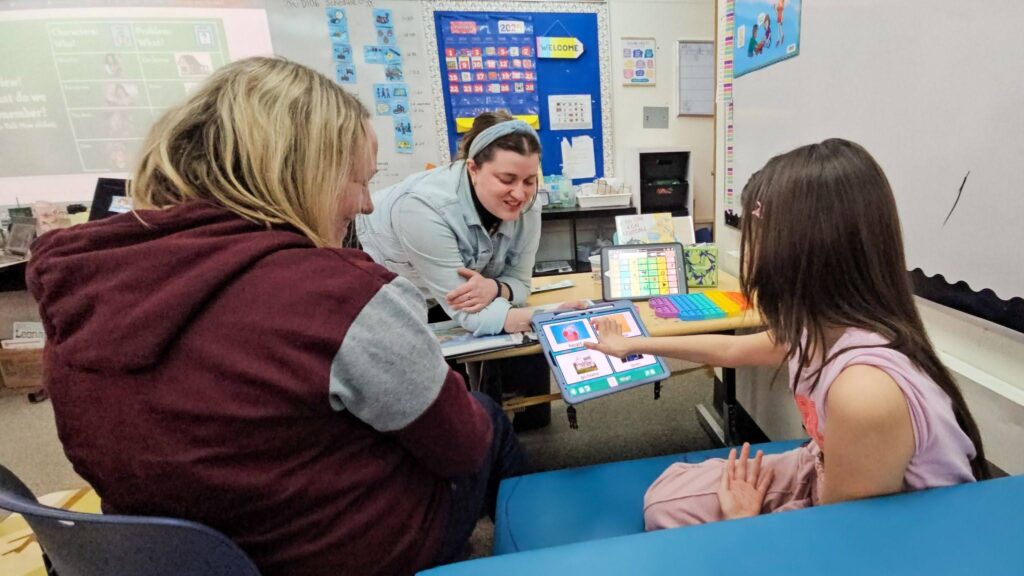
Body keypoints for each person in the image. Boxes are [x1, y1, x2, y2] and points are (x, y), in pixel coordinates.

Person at [27, 57, 527, 576]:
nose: (366, 206)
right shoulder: (341, 293)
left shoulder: (79, 279)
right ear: (301, 175)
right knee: (485, 418)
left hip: (159, 557)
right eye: (358, 181)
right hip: (331, 553)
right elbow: (460, 447)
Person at [586, 138, 988, 529]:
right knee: (667, 494)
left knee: (668, 511)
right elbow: (729, 350)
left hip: (890, 533)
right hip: (825, 471)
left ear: (799, 250)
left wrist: (745, 522)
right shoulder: (822, 330)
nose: (748, 252)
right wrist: (633, 343)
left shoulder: (864, 392)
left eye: (754, 236)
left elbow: (844, 541)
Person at [357, 111, 556, 429]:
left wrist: (496, 288)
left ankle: (503, 420)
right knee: (435, 384)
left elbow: (520, 283)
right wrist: (549, 317)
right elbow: (468, 312)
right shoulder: (424, 207)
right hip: (381, 272)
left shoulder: (528, 206)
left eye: (529, 181)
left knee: (490, 345)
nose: (520, 194)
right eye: (507, 180)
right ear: (473, 169)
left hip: (447, 278)